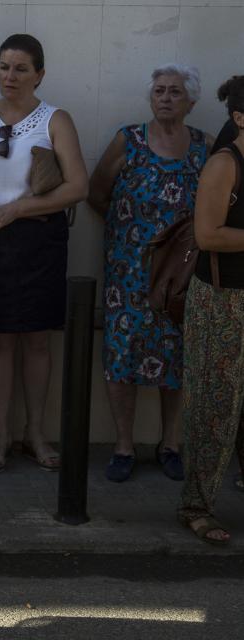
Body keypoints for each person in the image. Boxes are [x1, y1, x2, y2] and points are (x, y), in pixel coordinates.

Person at [0, 34, 88, 474]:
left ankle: (35, 432)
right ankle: (1, 435)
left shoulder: (55, 119)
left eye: (20, 68)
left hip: (38, 238)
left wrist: (17, 209)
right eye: (3, 66)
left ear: (39, 74)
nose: (9, 76)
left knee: (36, 340)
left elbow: (78, 186)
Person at [88, 64, 210, 483]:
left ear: (191, 101)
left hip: (180, 275)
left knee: (177, 355)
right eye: (159, 91)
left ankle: (170, 444)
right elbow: (97, 192)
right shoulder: (129, 139)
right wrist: (130, 237)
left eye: (175, 92)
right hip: (128, 273)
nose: (165, 98)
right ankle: (123, 446)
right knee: (122, 353)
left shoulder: (204, 147)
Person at [177, 75, 244, 545]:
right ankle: (196, 507)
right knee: (214, 407)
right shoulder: (224, 164)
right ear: (240, 117)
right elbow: (207, 235)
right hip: (223, 301)